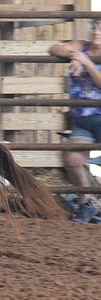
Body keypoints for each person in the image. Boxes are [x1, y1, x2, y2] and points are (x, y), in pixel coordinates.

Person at [48, 17, 101, 222]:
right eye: (94, 27)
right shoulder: (82, 46)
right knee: (72, 160)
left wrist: (85, 62)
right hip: (82, 118)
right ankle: (85, 202)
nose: (96, 31)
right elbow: (53, 49)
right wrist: (75, 56)